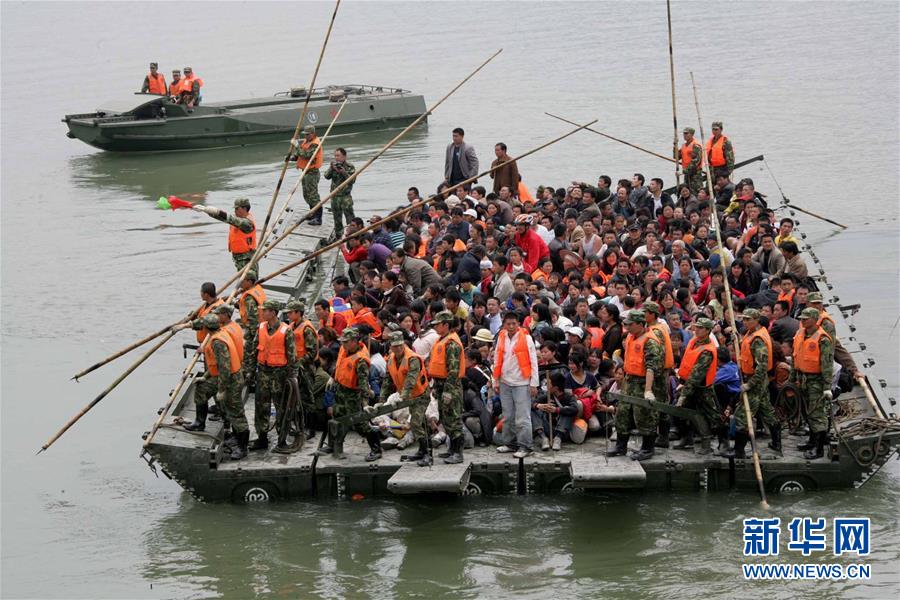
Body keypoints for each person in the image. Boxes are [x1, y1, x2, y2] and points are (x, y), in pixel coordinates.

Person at [182, 315, 249, 459]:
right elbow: (215, 364)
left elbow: (224, 368)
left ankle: (243, 447)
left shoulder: (218, 342)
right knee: (201, 390)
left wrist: (221, 390)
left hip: (231, 379)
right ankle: (200, 423)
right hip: (223, 376)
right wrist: (205, 377)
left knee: (236, 412)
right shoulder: (218, 335)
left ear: (206, 328)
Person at [607, 311, 662, 461]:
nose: (627, 327)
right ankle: (620, 445)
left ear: (639, 324)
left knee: (644, 414)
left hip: (643, 381)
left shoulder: (650, 341)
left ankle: (647, 448)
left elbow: (651, 367)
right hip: (630, 380)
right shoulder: (631, 337)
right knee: (623, 412)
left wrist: (648, 390)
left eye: (630, 324)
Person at [320, 327, 382, 460]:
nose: (343, 344)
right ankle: (333, 445)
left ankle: (376, 448)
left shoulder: (360, 360)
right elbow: (339, 364)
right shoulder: (345, 349)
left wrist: (365, 403)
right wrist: (332, 377)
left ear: (355, 341)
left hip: (353, 395)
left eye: (346, 342)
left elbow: (364, 383)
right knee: (336, 416)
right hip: (340, 388)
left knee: (359, 423)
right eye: (343, 342)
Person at [730, 308, 781, 458]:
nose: (745, 322)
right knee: (766, 409)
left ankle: (739, 450)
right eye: (744, 319)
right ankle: (776, 442)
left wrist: (750, 384)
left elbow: (762, 366)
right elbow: (747, 348)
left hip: (756, 379)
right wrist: (737, 338)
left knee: (742, 415)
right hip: (755, 378)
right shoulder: (751, 334)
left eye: (748, 319)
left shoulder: (758, 339)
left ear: (757, 320)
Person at [249, 300, 297, 452]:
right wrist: (250, 370)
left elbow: (291, 355)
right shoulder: (261, 327)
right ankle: (262, 438)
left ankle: (281, 440)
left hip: (279, 373)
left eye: (266, 311)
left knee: (280, 407)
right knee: (261, 405)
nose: (263, 313)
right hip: (263, 371)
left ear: (274, 313)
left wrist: (291, 376)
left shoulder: (286, 330)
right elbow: (254, 350)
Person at [493, 312, 539, 458]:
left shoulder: (526, 338)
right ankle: (511, 443)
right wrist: (496, 380)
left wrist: (533, 384)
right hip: (505, 381)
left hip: (522, 382)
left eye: (514, 324)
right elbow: (496, 359)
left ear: (518, 324)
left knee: (523, 417)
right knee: (508, 416)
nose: (511, 326)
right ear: (504, 324)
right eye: (508, 324)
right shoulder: (501, 337)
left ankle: (526, 446)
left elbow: (533, 362)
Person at [790, 307, 835, 459]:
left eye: (806, 318)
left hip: (816, 380)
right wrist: (792, 379)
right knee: (806, 412)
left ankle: (819, 448)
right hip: (802, 378)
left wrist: (827, 387)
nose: (802, 321)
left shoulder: (823, 339)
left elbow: (827, 365)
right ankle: (812, 441)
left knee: (817, 414)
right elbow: (795, 357)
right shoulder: (800, 335)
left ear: (815, 320)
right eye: (801, 318)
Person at [380, 332, 431, 463]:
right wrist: (381, 400)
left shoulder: (412, 358)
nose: (398, 348)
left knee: (415, 422)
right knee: (418, 423)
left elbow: (411, 380)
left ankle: (427, 453)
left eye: (400, 345)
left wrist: (402, 396)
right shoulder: (391, 359)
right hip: (407, 396)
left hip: (420, 395)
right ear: (390, 347)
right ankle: (422, 450)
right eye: (394, 346)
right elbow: (387, 380)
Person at [672, 318, 719, 455]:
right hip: (688, 384)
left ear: (708, 331)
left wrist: (684, 393)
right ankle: (686, 438)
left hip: (702, 389)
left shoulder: (707, 351)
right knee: (683, 413)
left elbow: (696, 376)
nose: (696, 330)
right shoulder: (694, 342)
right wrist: (682, 383)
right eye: (696, 327)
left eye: (700, 328)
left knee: (709, 416)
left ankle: (716, 443)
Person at [426, 311, 466, 464]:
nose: (435, 327)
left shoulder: (452, 343)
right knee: (445, 418)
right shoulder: (441, 340)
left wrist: (448, 391)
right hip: (440, 384)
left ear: (446, 325)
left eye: (438, 324)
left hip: (451, 386)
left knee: (454, 419)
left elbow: (453, 370)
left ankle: (458, 453)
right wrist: (436, 387)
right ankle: (451, 450)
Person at [193, 198, 257, 271]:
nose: (235, 211)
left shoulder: (247, 223)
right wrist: (206, 211)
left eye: (237, 208)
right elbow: (224, 218)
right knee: (242, 278)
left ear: (244, 208)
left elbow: (230, 218)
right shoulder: (238, 218)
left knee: (248, 280)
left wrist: (217, 211)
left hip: (247, 258)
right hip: (239, 258)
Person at [286, 300, 319, 438]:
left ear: (298, 313)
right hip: (294, 368)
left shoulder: (306, 329)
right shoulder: (292, 326)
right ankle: (299, 425)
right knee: (294, 397)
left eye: (290, 312)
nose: (288, 314)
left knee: (307, 398)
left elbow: (312, 352)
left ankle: (310, 429)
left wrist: (299, 362)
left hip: (305, 369)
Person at [643, 301, 674, 447]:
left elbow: (658, 355)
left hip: (659, 373)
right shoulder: (660, 327)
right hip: (661, 371)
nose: (643, 314)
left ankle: (662, 437)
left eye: (645, 312)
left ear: (652, 314)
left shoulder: (655, 330)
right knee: (662, 402)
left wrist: (654, 373)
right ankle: (662, 436)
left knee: (660, 404)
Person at [807, 291, 859, 378]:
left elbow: (836, 347)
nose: (816, 306)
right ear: (807, 304)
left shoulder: (826, 325)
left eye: (819, 303)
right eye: (814, 303)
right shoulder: (805, 319)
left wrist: (853, 369)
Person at [290, 126, 325, 225]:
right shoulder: (306, 141)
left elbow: (307, 155)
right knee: (307, 195)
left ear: (313, 134)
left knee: (313, 196)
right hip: (305, 172)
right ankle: (312, 213)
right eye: (305, 134)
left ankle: (318, 218)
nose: (306, 136)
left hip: (312, 173)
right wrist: (292, 157)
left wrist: (297, 146)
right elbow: (300, 154)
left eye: (308, 134)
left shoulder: (315, 144)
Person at [323, 147, 356, 236]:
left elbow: (352, 181)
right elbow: (326, 176)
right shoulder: (334, 165)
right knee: (337, 219)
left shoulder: (350, 167)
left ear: (344, 156)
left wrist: (343, 172)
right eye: (335, 156)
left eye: (338, 156)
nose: (336, 158)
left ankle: (353, 235)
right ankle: (339, 236)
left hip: (345, 196)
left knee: (350, 218)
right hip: (335, 196)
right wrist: (331, 168)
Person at [680, 127, 703, 193]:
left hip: (695, 174)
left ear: (692, 134)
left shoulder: (696, 146)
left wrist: (686, 171)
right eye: (684, 133)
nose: (685, 135)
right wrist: (674, 146)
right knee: (687, 191)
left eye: (686, 133)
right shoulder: (683, 146)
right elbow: (677, 157)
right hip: (687, 174)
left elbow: (696, 161)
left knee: (696, 191)